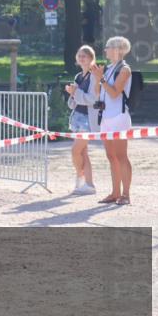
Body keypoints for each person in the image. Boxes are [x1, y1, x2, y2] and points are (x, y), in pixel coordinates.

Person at [91, 36, 134, 206]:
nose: (105, 50)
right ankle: (115, 193)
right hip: (106, 117)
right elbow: (98, 92)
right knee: (111, 156)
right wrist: (97, 78)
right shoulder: (108, 68)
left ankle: (126, 194)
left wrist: (101, 78)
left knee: (121, 156)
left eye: (108, 47)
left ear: (118, 50)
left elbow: (115, 93)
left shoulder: (125, 69)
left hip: (118, 117)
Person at [65, 45, 99, 195]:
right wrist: (72, 93)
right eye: (79, 55)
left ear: (91, 58)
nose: (81, 58)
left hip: (88, 119)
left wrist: (76, 92)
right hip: (77, 117)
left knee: (75, 150)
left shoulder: (94, 76)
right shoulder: (78, 76)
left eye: (84, 56)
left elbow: (93, 99)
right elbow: (74, 102)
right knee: (83, 152)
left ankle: (81, 177)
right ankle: (88, 184)